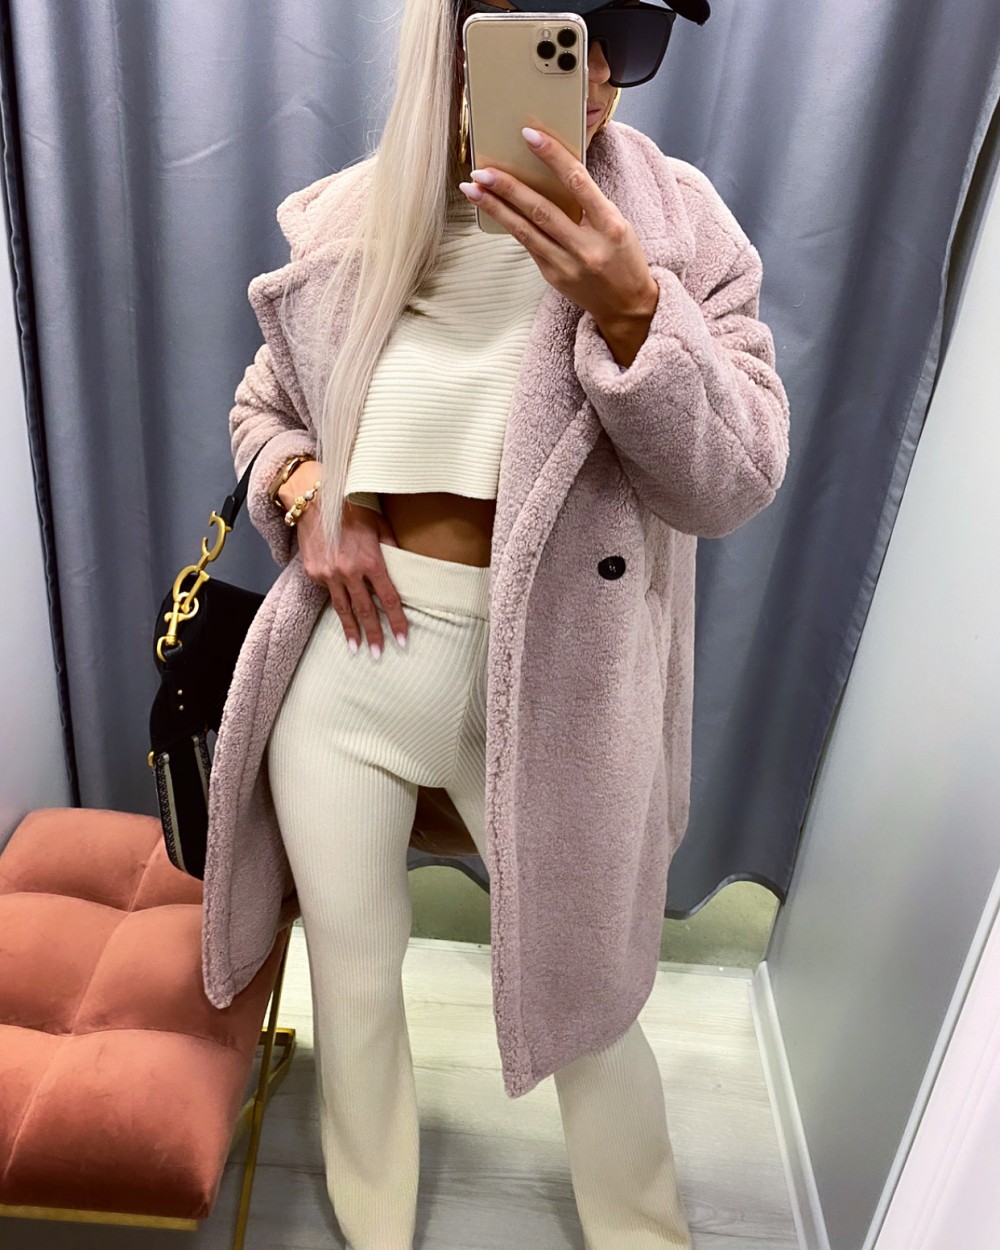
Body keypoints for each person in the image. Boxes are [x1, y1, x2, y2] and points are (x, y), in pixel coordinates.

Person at [208, 1, 789, 1247]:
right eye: (563, 26)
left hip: (563, 694)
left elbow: (734, 480)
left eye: (630, 34)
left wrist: (633, 311)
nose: (597, 73)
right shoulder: (358, 219)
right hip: (350, 677)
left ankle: (644, 1228)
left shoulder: (678, 231)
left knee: (591, 1002)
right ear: (463, 36)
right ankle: (371, 1220)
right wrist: (305, 494)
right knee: (353, 981)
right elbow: (264, 409)